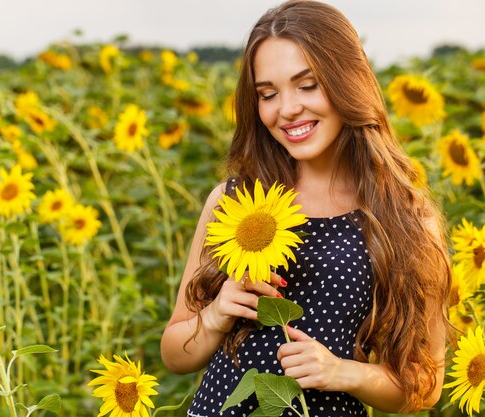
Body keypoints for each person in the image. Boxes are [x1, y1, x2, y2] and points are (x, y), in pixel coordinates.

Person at [160, 1, 452, 416]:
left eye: (308, 84)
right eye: (268, 94)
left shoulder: (406, 217)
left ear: (347, 81)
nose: (287, 109)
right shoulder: (234, 202)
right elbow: (174, 354)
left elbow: (425, 384)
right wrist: (215, 315)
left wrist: (342, 372)